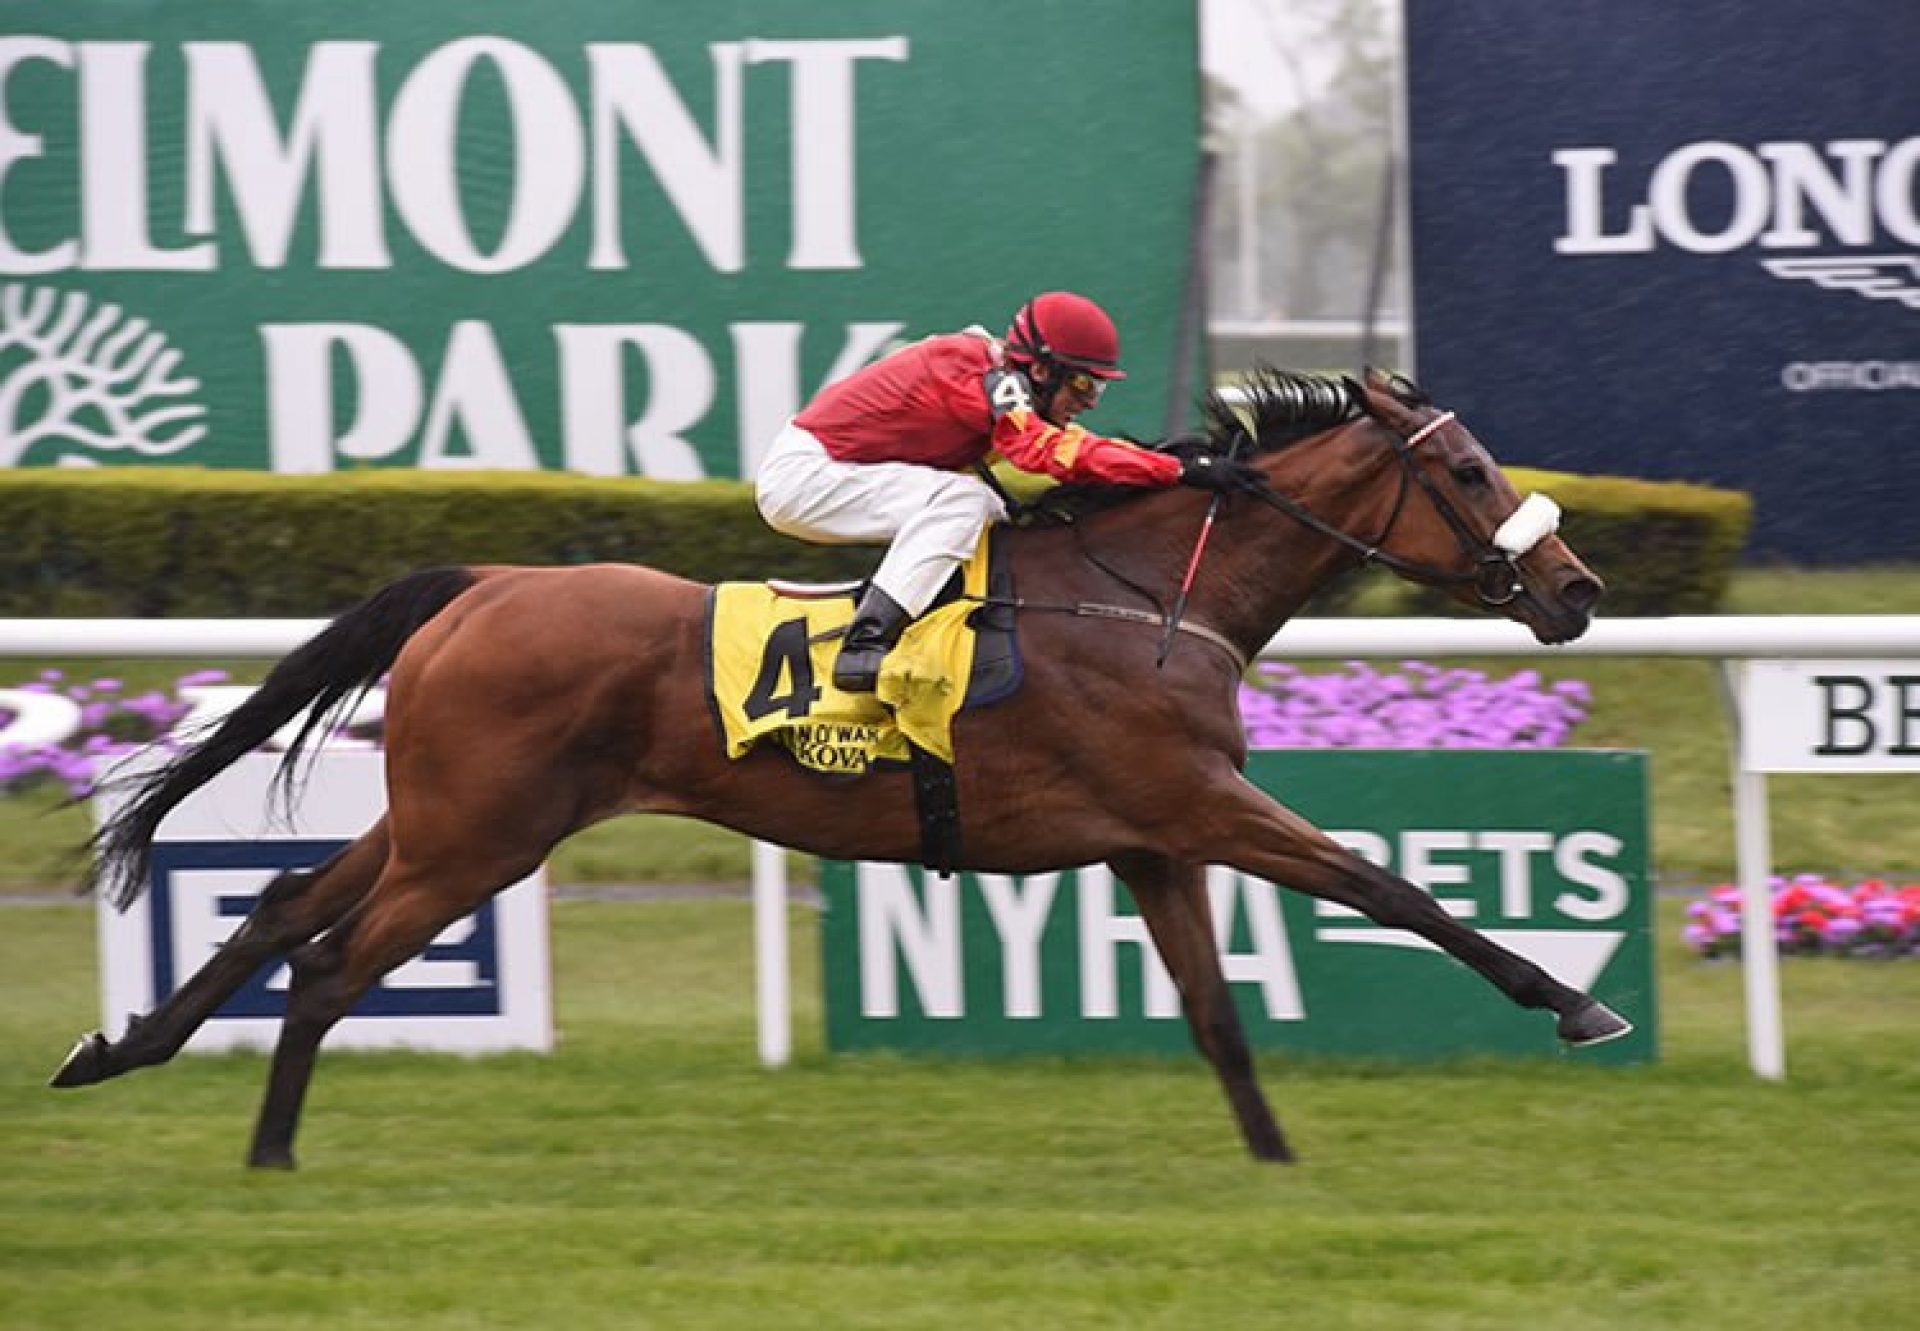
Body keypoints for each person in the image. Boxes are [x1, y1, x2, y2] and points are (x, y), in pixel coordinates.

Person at [754, 291, 1263, 693]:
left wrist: (1173, 466)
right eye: (1083, 385)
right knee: (963, 501)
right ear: (1041, 369)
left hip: (835, 470)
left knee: (991, 510)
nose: (1089, 401)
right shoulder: (985, 376)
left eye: (1098, 388)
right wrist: (1177, 470)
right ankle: (864, 644)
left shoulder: (999, 377)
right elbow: (1047, 454)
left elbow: (1076, 449)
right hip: (806, 477)